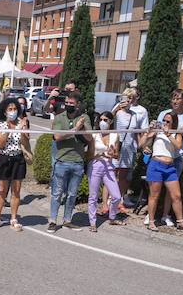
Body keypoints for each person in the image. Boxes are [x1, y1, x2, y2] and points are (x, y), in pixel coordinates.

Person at [48, 91, 90, 230]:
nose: (68, 105)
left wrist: (82, 127)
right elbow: (57, 136)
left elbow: (89, 138)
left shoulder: (84, 118)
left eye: (71, 103)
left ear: (78, 105)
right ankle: (53, 221)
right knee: (57, 193)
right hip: (61, 160)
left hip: (77, 161)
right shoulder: (59, 117)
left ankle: (67, 220)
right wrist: (75, 129)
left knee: (72, 194)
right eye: (66, 103)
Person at [138, 118, 183, 231]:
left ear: (173, 123)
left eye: (168, 121)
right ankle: (151, 222)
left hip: (170, 167)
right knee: (154, 195)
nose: (165, 123)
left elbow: (178, 146)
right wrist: (148, 131)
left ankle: (180, 222)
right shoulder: (156, 132)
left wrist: (168, 134)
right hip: (156, 165)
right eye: (164, 120)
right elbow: (141, 144)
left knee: (176, 195)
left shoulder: (176, 134)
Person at [0, 97, 31, 230]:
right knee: (1, 189)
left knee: (16, 190)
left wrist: (23, 130)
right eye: (10, 109)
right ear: (5, 111)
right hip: (3, 158)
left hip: (18, 159)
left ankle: (14, 218)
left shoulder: (21, 123)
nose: (12, 112)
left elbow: (25, 143)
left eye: (14, 109)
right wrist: (7, 131)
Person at [86, 111, 125, 231]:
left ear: (111, 122)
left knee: (116, 196)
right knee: (93, 196)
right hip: (95, 165)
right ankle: (93, 222)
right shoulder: (94, 135)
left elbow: (117, 154)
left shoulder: (115, 135)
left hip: (108, 166)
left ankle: (112, 217)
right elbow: (89, 155)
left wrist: (112, 154)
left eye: (105, 120)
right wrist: (99, 154)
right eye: (101, 120)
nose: (102, 122)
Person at [113, 88, 149, 208]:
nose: (127, 100)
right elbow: (108, 120)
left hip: (129, 147)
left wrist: (144, 145)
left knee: (125, 175)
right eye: (125, 97)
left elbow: (139, 131)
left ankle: (120, 199)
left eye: (130, 97)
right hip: (116, 146)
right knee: (113, 173)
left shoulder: (137, 113)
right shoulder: (117, 109)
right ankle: (110, 199)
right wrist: (117, 108)